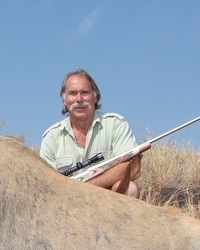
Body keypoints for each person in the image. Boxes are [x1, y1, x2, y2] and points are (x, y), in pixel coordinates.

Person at [40, 69, 141, 197]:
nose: (79, 99)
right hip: (67, 201)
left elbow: (132, 168)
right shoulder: (51, 137)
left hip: (106, 198)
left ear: (95, 97)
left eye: (84, 92)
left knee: (130, 189)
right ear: (64, 101)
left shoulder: (115, 124)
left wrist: (86, 187)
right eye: (72, 93)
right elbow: (45, 183)